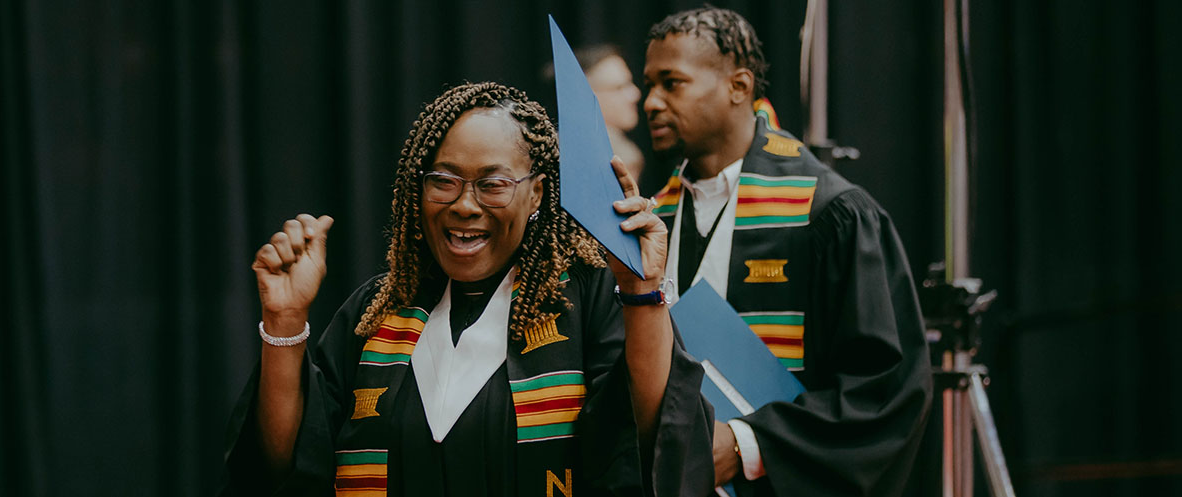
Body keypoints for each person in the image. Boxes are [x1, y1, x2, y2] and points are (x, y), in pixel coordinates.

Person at [220, 82, 714, 496]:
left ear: (536, 191)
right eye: (444, 180)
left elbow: (650, 443)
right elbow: (284, 468)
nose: (464, 205)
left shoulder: (585, 299)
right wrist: (284, 322)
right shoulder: (377, 313)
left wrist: (643, 292)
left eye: (492, 184)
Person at [641, 7, 932, 497]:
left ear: (738, 86)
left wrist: (746, 444)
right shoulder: (654, 218)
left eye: (672, 83)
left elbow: (884, 392)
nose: (651, 102)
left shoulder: (828, 213)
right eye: (649, 84)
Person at [577, 45, 646, 181]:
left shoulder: (624, 151)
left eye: (630, 84)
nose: (635, 94)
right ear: (587, 96)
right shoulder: (589, 158)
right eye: (619, 87)